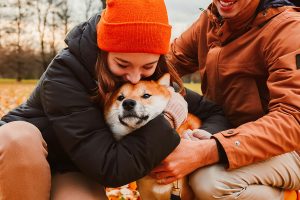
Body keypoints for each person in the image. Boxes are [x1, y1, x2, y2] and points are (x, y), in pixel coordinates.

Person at [0, 0, 231, 199]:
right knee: (18, 136)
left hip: (74, 167)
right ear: (104, 50)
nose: (134, 76)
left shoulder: (150, 81)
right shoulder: (64, 76)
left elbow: (213, 112)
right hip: (21, 159)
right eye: (122, 64)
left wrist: (200, 143)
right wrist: (169, 118)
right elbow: (112, 168)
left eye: (148, 66)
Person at [150, 0, 300, 199]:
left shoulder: (289, 29)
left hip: (287, 150)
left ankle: (287, 196)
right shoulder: (211, 20)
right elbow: (163, 64)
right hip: (226, 135)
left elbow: (292, 119)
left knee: (209, 182)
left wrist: (211, 149)